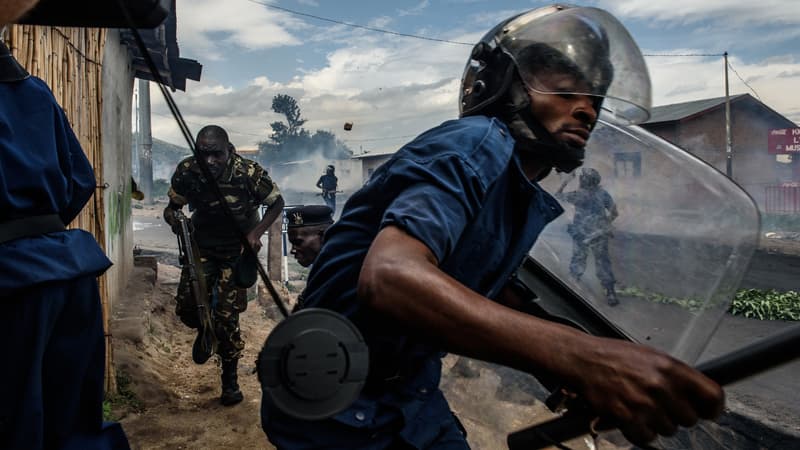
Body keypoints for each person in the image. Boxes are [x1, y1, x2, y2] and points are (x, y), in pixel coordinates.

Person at [260, 5, 723, 449]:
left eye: (594, 99)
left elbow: (481, 277)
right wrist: (581, 357)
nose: (586, 109)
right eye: (564, 91)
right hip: (332, 388)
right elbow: (391, 279)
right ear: (503, 86)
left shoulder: (512, 184)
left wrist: (562, 357)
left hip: (409, 392)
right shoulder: (477, 141)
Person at [1, 13, 130, 449]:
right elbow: (79, 180)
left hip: (11, 283)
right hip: (65, 271)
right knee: (73, 427)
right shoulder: (34, 90)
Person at [164, 125, 284, 406]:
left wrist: (255, 234)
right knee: (186, 307)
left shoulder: (247, 173)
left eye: (216, 155)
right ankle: (204, 330)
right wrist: (176, 222)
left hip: (236, 251)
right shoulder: (187, 170)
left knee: (227, 318)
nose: (209, 162)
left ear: (229, 151)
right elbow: (173, 206)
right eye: (203, 154)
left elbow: (276, 203)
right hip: (201, 247)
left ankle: (229, 383)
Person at [556, 167, 620, 305]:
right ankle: (610, 293)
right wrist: (604, 225)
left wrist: (565, 182)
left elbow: (558, 196)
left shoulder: (578, 195)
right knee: (602, 264)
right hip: (598, 235)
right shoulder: (603, 194)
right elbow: (615, 212)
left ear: (584, 180)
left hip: (580, 234)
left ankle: (571, 290)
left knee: (578, 262)